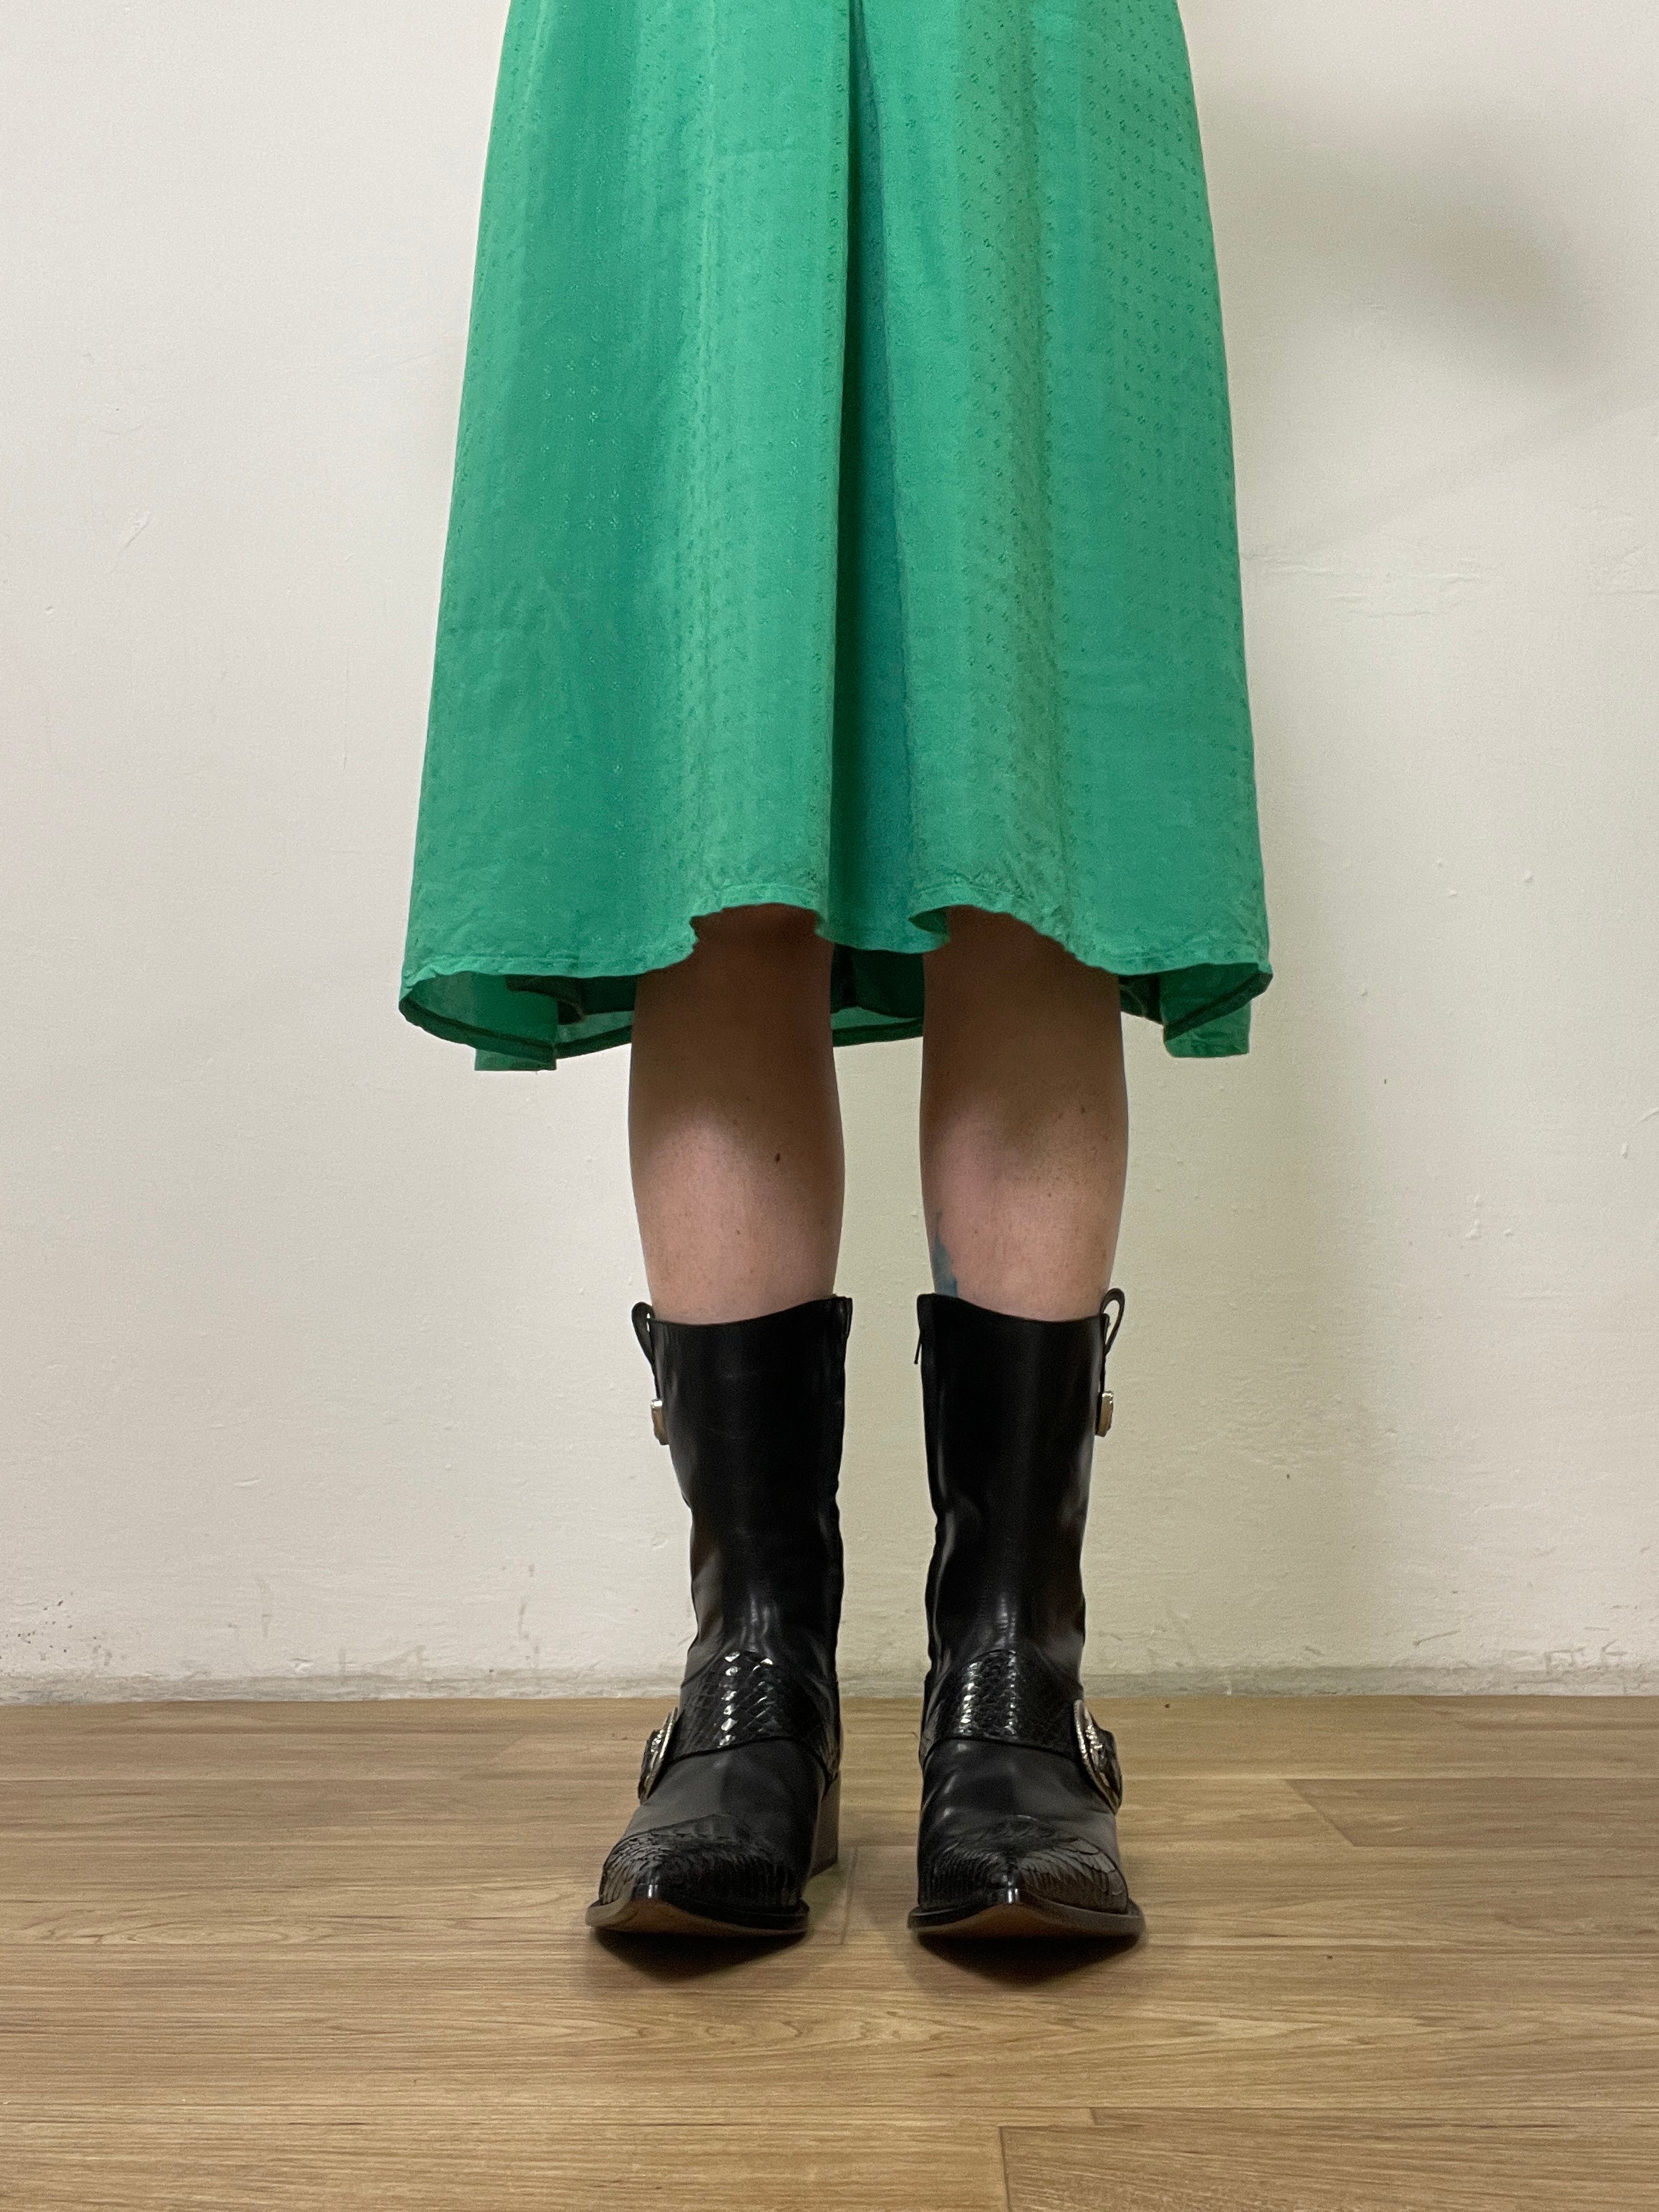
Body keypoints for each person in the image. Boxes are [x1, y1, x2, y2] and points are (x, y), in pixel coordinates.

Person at [399, 0, 1270, 1940]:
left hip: (1018, 49)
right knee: (717, 825)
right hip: (685, 46)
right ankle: (752, 1688)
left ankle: (1012, 1695)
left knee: (1023, 829)